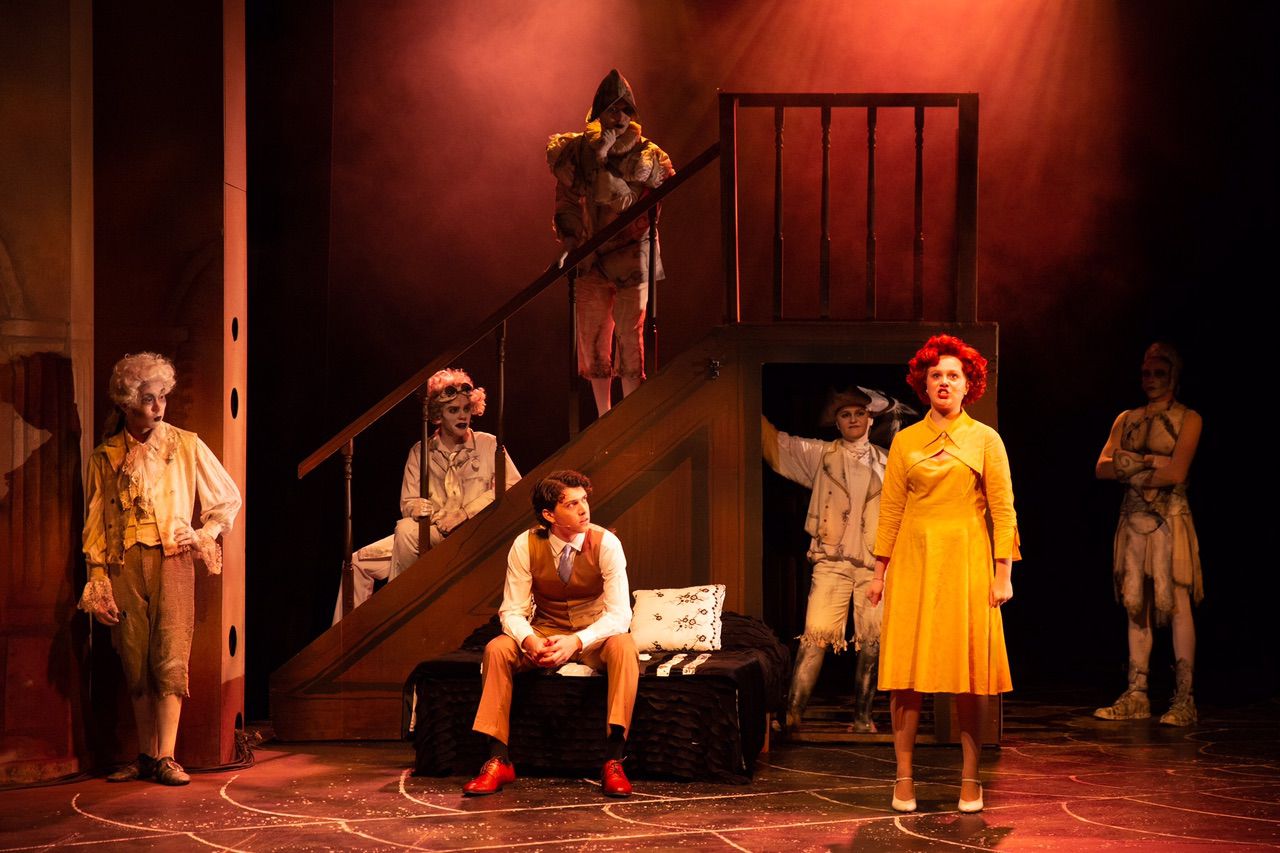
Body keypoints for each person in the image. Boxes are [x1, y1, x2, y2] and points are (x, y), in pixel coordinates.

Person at [867, 335, 1019, 814]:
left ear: (968, 384)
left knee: (970, 673)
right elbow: (891, 509)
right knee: (906, 674)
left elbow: (1004, 510)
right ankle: (904, 778)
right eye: (936, 375)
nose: (945, 382)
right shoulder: (905, 440)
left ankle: (971, 779)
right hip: (914, 562)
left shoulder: (986, 439)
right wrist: (879, 572)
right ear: (924, 384)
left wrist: (1003, 573)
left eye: (954, 375)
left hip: (967, 562)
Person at [78, 352, 241, 786]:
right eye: (149, 399)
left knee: (170, 657)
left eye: (162, 397)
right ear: (127, 402)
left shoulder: (184, 444)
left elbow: (227, 497)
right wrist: (97, 578)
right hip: (124, 564)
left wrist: (203, 532)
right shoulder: (106, 456)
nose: (158, 407)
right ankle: (147, 755)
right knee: (135, 660)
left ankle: (167, 755)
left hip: (172, 559)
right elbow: (95, 521)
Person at [465, 470, 639, 798]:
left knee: (625, 646)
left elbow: (620, 615)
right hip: (545, 629)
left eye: (584, 500)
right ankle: (499, 760)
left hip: (594, 633)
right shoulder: (525, 545)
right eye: (572, 504)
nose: (584, 509)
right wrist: (529, 641)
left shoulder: (606, 543)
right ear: (549, 515)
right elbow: (512, 610)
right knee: (497, 649)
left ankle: (614, 760)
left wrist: (577, 641)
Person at [761, 386, 909, 734]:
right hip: (832, 562)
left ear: (870, 420)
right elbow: (775, 444)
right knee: (816, 637)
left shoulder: (890, 461)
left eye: (859, 413)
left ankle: (862, 718)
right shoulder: (821, 455)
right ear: (837, 423)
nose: (853, 419)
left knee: (872, 643)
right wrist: (743, 400)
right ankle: (792, 715)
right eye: (846, 415)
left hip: (875, 565)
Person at [331, 368, 519, 624]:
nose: (462, 415)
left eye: (466, 408)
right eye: (453, 410)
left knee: (406, 532)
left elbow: (512, 485)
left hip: (473, 535)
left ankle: (400, 614)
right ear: (438, 415)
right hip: (431, 534)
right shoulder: (421, 452)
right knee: (357, 563)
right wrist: (416, 508)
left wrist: (464, 513)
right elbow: (407, 503)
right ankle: (347, 637)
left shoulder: (488, 444)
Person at [547, 69, 675, 417]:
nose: (619, 117)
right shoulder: (577, 151)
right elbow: (567, 201)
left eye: (625, 110)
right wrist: (570, 240)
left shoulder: (646, 154)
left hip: (633, 255)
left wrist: (604, 161)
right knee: (592, 338)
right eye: (611, 109)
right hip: (592, 258)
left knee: (631, 338)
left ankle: (629, 418)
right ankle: (605, 418)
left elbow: (629, 202)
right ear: (598, 112)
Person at [1093, 342, 1202, 726]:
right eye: (1146, 373)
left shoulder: (1188, 418)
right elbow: (1102, 467)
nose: (1151, 380)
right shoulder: (1127, 418)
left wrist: (1131, 466)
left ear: (1173, 376)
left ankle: (1184, 699)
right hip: (1134, 518)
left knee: (1178, 603)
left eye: (1159, 373)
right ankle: (1136, 694)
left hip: (1171, 518)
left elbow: (1177, 472)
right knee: (1135, 604)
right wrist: (1151, 462)